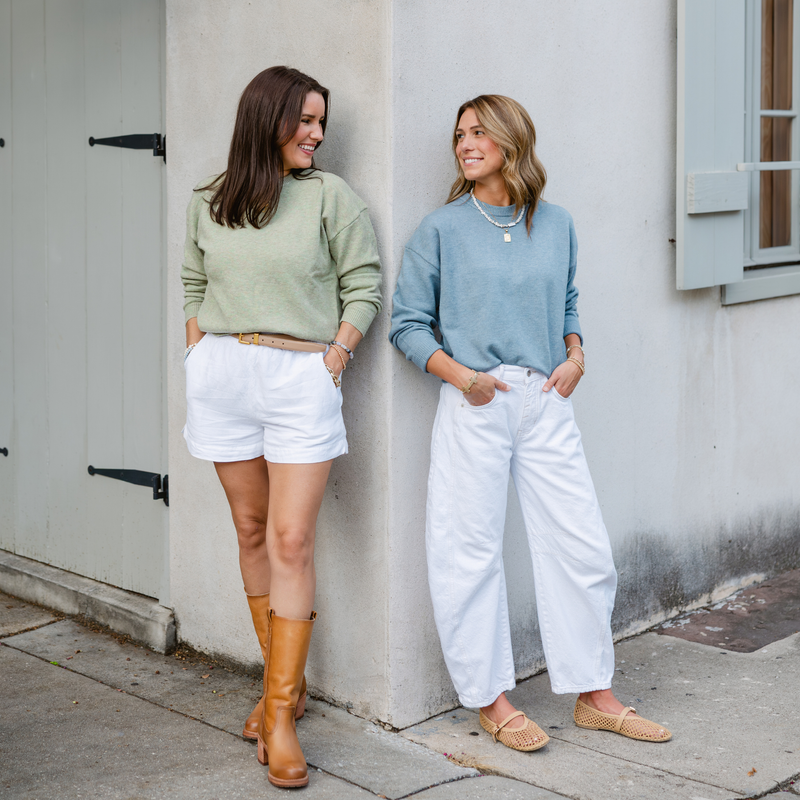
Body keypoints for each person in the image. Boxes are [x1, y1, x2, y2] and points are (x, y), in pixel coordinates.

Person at [389, 94, 670, 752]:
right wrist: (464, 378)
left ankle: (595, 695)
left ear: (511, 141)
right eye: (459, 134)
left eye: (478, 132)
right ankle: (491, 699)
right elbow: (406, 324)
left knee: (581, 545)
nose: (465, 144)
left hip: (546, 398)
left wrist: (576, 356)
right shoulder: (441, 229)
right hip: (476, 401)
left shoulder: (558, 223)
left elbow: (567, 300)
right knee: (468, 551)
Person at [181, 66, 382, 787]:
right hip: (223, 375)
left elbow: (364, 284)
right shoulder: (209, 199)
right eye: (306, 119)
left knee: (290, 538)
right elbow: (194, 284)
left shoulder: (331, 197)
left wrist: (335, 357)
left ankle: (282, 716)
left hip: (301, 376)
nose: (317, 134)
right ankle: (278, 695)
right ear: (266, 117)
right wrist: (197, 350)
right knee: (249, 529)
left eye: (322, 122)